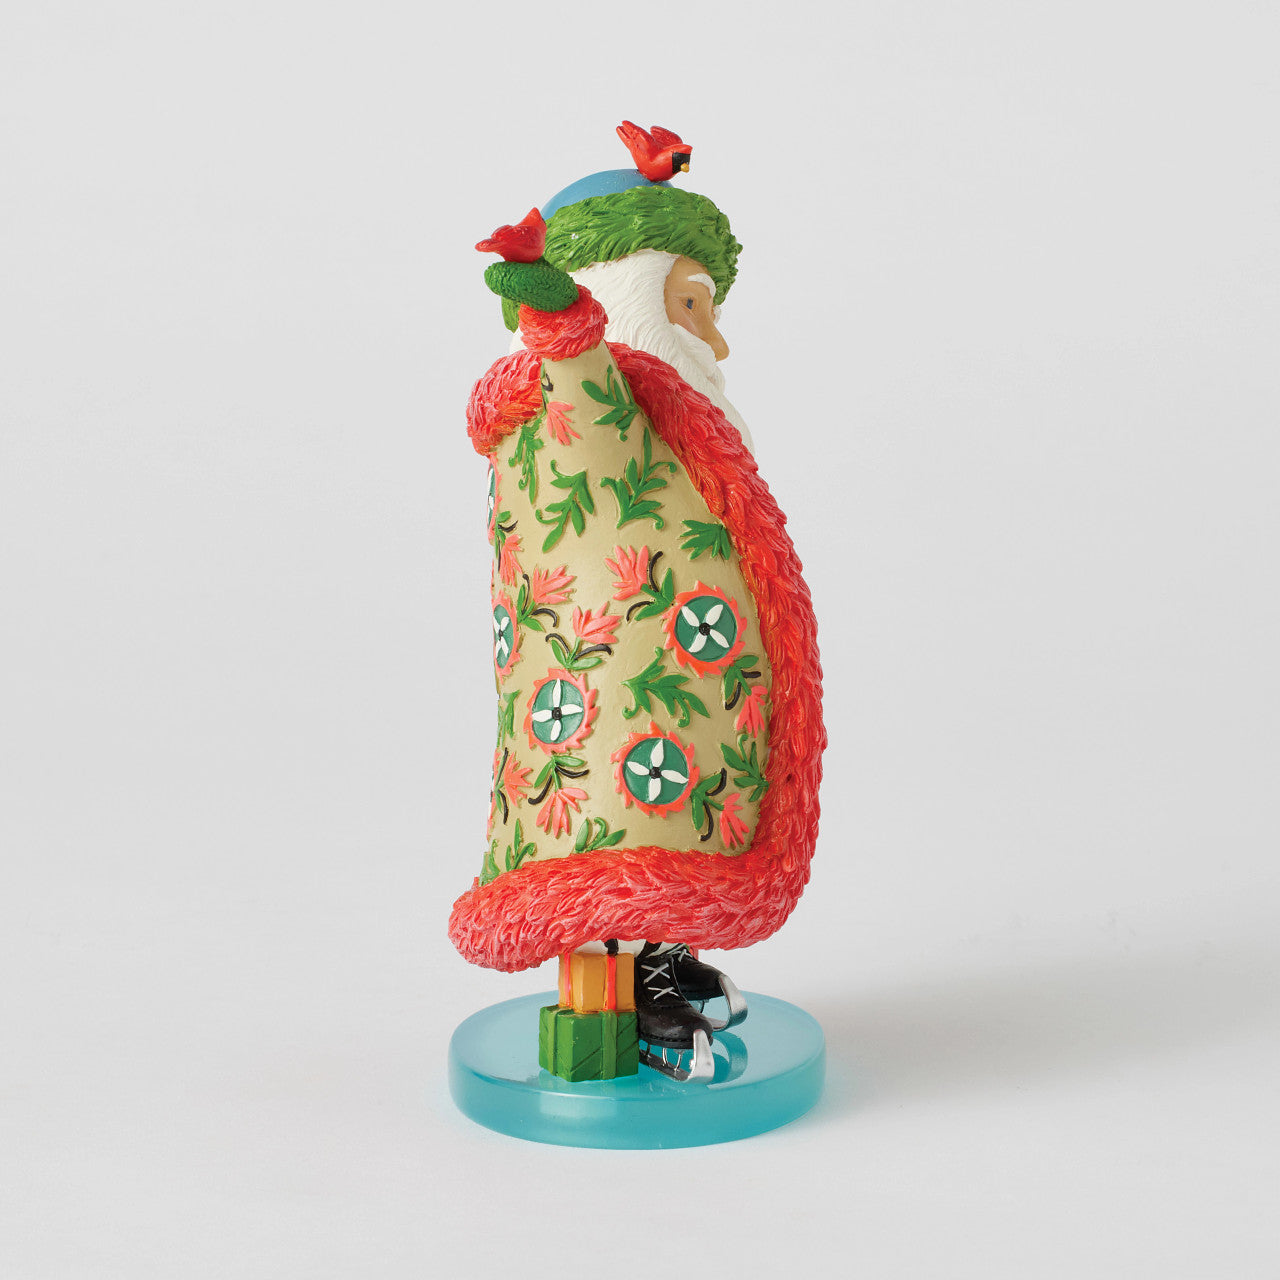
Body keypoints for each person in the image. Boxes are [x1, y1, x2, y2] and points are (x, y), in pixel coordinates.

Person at [450, 123, 824, 1079]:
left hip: (686, 679)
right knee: (626, 822)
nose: (716, 338)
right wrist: (563, 323)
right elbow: (583, 393)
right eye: (691, 305)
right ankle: (635, 987)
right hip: (616, 687)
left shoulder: (674, 419)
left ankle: (662, 951)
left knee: (678, 821)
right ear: (632, 295)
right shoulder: (575, 404)